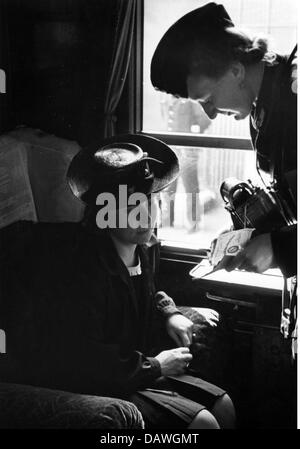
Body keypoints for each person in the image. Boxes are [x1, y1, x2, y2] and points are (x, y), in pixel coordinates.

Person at [1, 134, 235, 429]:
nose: (146, 216)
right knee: (205, 425)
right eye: (129, 208)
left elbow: (145, 293)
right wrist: (157, 366)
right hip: (100, 380)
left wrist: (169, 312)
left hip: (133, 366)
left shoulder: (141, 248)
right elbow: (84, 357)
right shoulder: (83, 267)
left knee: (223, 406)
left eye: (151, 202)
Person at [150, 2, 297, 350]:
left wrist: (278, 248)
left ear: (235, 70)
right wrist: (250, 235)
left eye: (209, 98)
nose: (211, 114)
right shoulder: (263, 105)